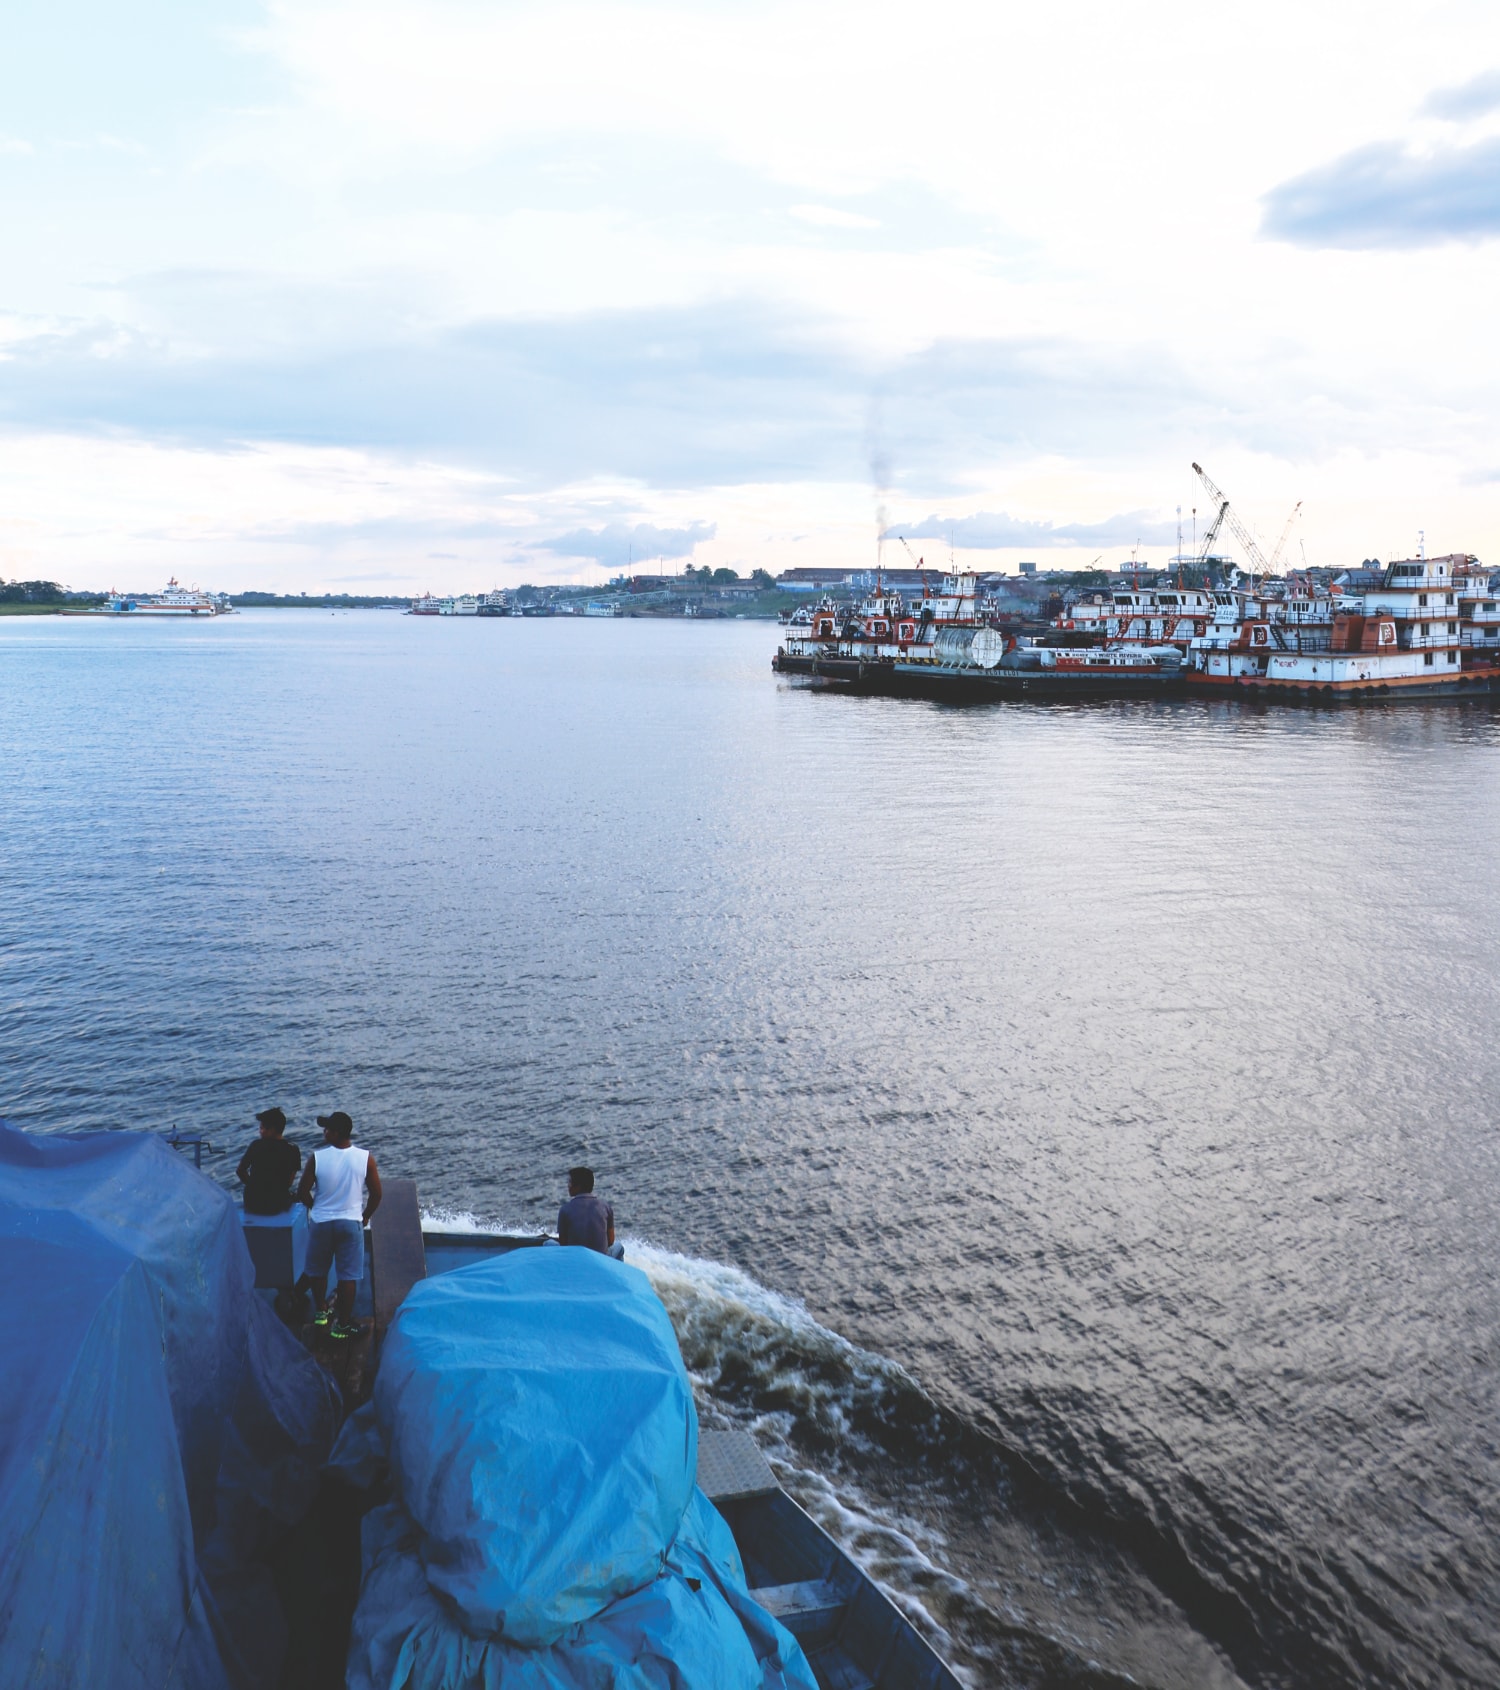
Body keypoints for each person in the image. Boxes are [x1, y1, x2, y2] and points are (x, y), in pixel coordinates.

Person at [293, 1111, 382, 1340]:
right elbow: (376, 1194)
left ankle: (321, 1311)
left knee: (317, 1270)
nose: (324, 1132)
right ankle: (342, 1325)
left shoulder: (317, 1158)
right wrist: (365, 1216)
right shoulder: (365, 1158)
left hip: (322, 1222)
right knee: (347, 1277)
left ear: (337, 1133)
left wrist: (316, 1207)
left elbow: (302, 1192)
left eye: (327, 1129)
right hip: (350, 1223)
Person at [235, 1107, 301, 1215]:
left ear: (272, 1129)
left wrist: (254, 1187)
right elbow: (289, 1183)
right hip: (277, 1203)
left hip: (252, 1202)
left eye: (262, 1128)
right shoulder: (293, 1149)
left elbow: (240, 1171)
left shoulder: (256, 1145)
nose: (260, 1131)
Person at [557, 1166, 623, 1260]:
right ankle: (616, 1273)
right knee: (619, 1247)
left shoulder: (565, 1209)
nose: (568, 1185)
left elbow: (563, 1244)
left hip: (576, 1259)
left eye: (570, 1182)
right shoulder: (605, 1207)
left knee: (548, 1243)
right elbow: (611, 1241)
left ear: (578, 1186)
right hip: (600, 1259)